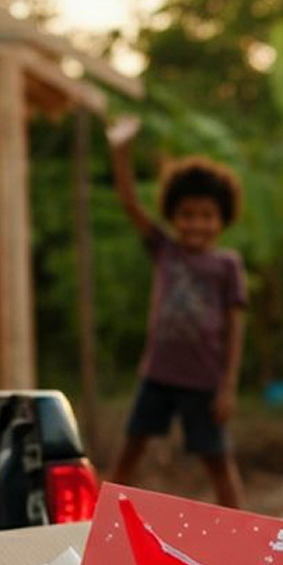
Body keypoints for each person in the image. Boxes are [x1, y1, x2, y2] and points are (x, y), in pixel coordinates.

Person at [105, 115, 247, 508]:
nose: (196, 224)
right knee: (130, 449)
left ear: (222, 219)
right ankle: (95, 523)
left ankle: (241, 532)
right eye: (187, 215)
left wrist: (227, 387)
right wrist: (121, 151)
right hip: (158, 375)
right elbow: (130, 202)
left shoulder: (227, 265)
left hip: (203, 382)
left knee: (218, 461)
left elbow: (235, 330)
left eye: (206, 216)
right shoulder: (165, 250)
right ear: (172, 215)